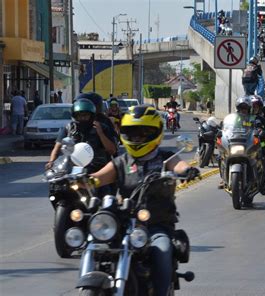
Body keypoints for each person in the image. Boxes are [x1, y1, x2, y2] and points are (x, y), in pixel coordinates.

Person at [89, 105, 199, 296]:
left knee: (162, 251)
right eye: (132, 133)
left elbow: (179, 164)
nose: (137, 138)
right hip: (123, 224)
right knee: (94, 245)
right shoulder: (122, 162)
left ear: (155, 133)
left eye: (143, 133)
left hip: (156, 225)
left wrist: (186, 170)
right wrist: (81, 179)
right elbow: (98, 177)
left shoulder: (166, 158)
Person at [46, 98, 117, 195]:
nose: (82, 118)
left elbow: (112, 150)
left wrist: (100, 133)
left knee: (105, 194)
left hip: (96, 168)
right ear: (75, 116)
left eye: (85, 115)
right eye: (79, 115)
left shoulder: (102, 128)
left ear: (91, 116)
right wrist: (51, 162)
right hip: (72, 168)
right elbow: (57, 147)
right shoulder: (69, 128)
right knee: (57, 189)